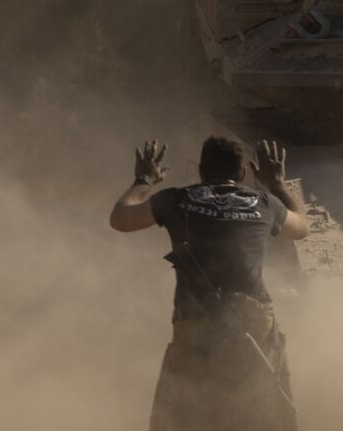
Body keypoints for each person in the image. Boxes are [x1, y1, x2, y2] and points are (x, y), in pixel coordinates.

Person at [110, 136, 310, 431]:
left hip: (198, 320)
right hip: (253, 323)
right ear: (242, 174)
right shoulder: (264, 203)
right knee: (266, 413)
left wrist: (144, 178)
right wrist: (277, 183)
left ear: (201, 170)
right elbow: (302, 228)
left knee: (183, 416)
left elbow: (120, 219)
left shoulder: (175, 199)